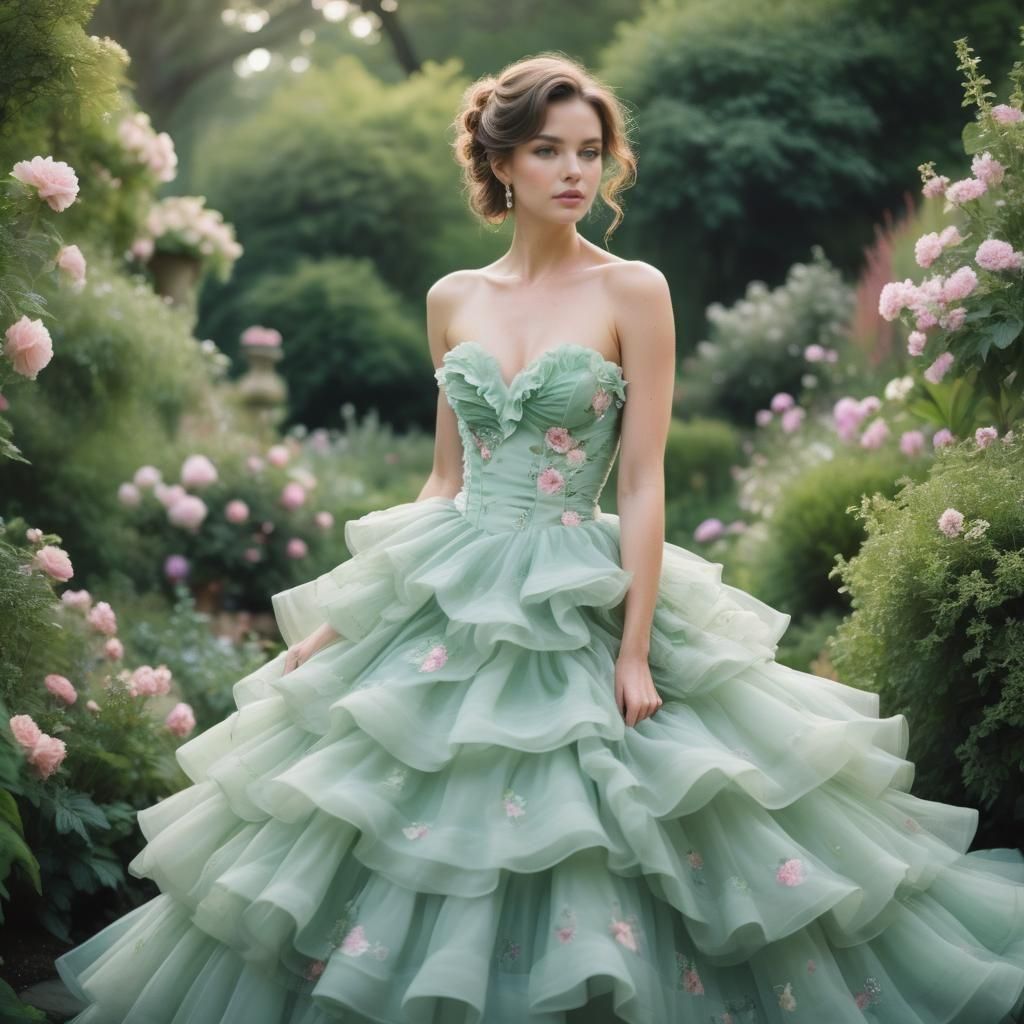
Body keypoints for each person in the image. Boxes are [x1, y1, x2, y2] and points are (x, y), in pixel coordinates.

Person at [55, 52, 1024, 1024]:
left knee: (612, 833)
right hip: (460, 573)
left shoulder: (632, 290)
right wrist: (351, 617)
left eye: (591, 153)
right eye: (549, 150)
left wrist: (636, 645)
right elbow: (445, 476)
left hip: (581, 577)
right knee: (396, 821)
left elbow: (641, 481)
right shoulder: (452, 299)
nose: (574, 171)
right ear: (501, 163)